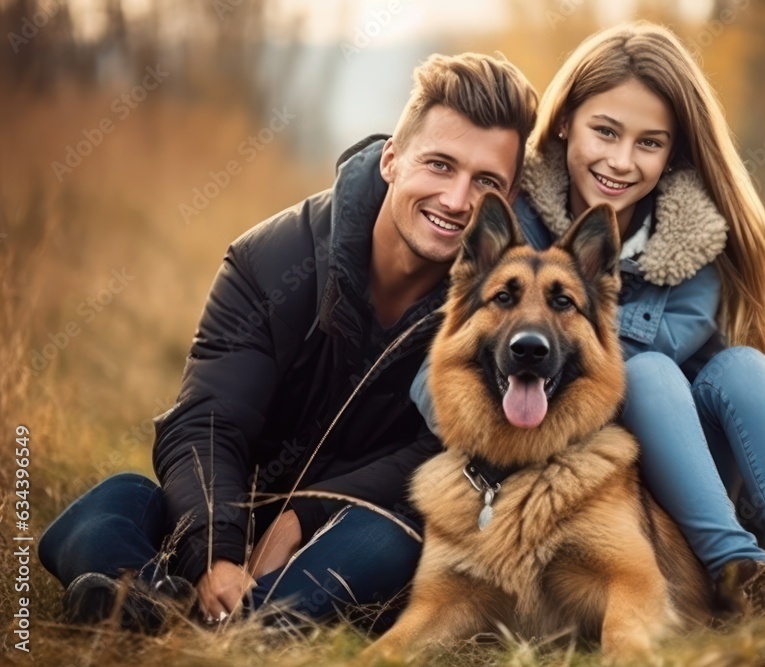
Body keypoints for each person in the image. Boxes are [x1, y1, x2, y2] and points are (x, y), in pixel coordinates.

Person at [39, 52, 537, 633]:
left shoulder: (500, 310)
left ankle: (217, 622)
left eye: (486, 182)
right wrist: (217, 554)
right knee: (114, 502)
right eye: (439, 165)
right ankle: (156, 600)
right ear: (392, 159)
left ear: (509, 194)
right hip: (234, 510)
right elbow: (208, 421)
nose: (456, 201)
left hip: (355, 529)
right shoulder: (271, 259)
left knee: (391, 542)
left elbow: (445, 451)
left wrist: (303, 514)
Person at [412, 21, 765, 616]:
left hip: (684, 463)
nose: (620, 160)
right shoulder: (517, 230)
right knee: (650, 371)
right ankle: (735, 567)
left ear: (675, 151)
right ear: (564, 123)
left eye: (649, 142)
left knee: (736, 367)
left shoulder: (694, 248)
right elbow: (447, 368)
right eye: (605, 131)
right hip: (592, 469)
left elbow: (624, 369)